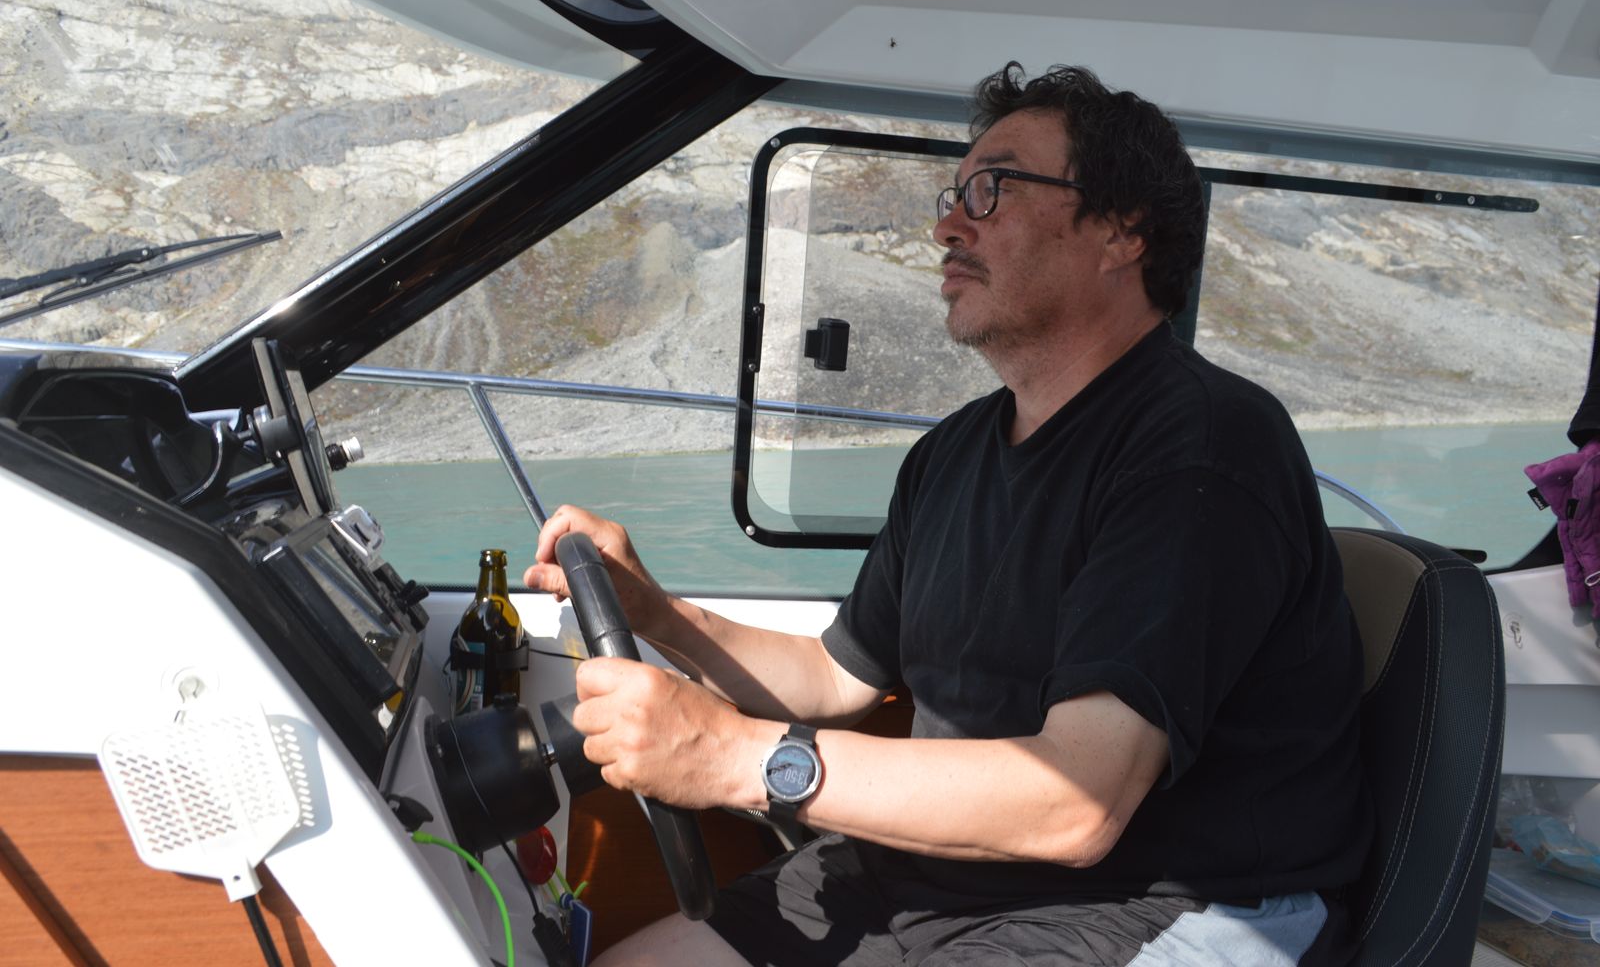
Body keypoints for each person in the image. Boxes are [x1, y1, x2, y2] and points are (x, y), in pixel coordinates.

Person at [525, 63, 1372, 966]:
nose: (947, 226)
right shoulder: (954, 453)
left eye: (993, 188)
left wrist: (736, 757)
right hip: (929, 881)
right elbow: (835, 680)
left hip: (1156, 903)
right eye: (955, 194)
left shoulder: (1203, 445)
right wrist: (658, 613)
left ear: (1122, 231)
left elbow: (1076, 805)